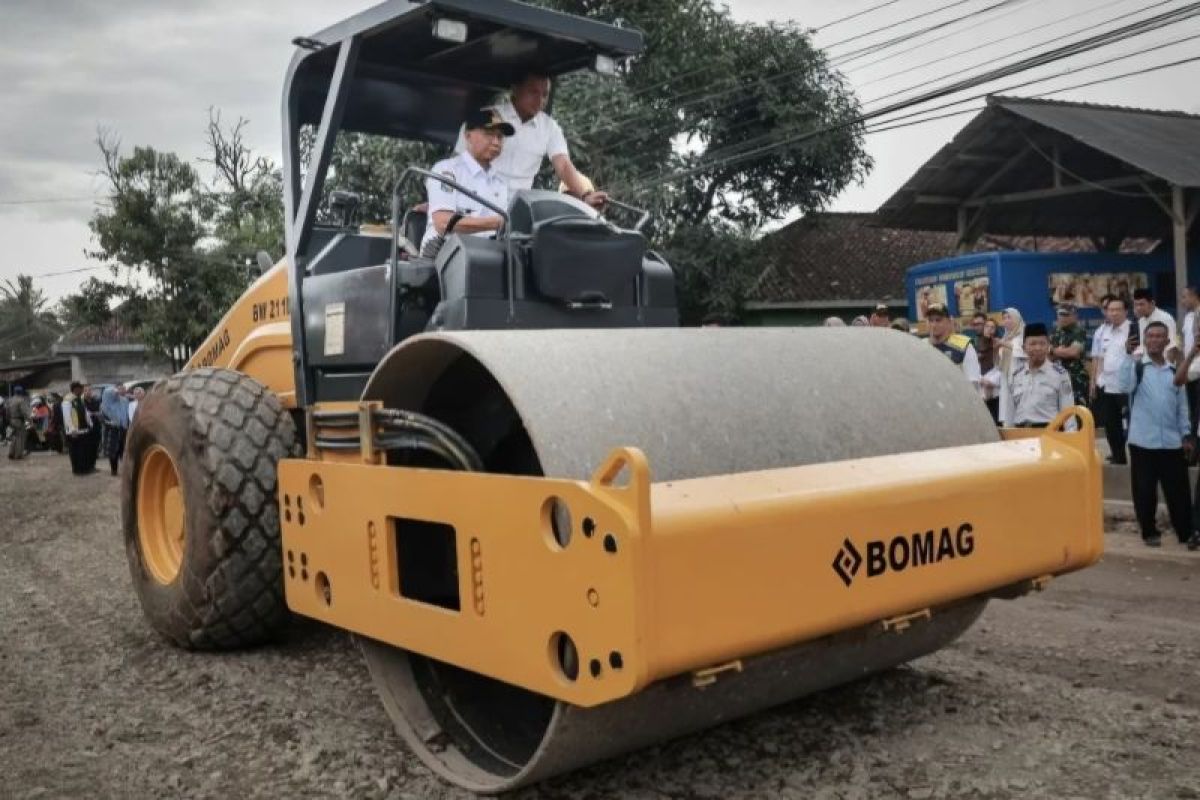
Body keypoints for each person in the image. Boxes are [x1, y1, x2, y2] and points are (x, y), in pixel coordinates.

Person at [456, 71, 607, 209]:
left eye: (545, 95)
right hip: (476, 203)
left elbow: (563, 165)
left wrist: (585, 195)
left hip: (516, 212)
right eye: (533, 92)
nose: (540, 100)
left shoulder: (549, 127)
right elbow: (457, 164)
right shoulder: (485, 118)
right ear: (515, 89)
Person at [1113, 321, 1198, 549]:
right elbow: (1123, 386)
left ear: (1166, 341)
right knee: (1144, 491)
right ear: (1144, 340)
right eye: (1150, 336)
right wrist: (1128, 356)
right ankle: (1149, 531)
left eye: (1160, 336)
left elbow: (1182, 408)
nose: (1154, 340)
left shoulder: (1173, 372)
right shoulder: (1138, 368)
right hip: (1143, 442)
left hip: (1171, 443)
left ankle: (1185, 532)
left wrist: (1186, 435)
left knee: (1179, 492)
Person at [421, 108, 516, 258]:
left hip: (483, 257)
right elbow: (443, 223)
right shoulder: (447, 170)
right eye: (489, 134)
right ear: (468, 136)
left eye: (500, 136)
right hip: (442, 256)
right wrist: (498, 223)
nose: (496, 142)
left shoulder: (500, 184)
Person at [1005, 323, 1077, 429]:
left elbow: (1068, 411)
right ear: (1024, 347)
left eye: (1042, 343)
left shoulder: (1060, 374)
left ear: (1048, 347)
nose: (1038, 348)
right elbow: (1009, 412)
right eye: (1033, 344)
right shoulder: (1016, 375)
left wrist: (1071, 438)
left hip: (1050, 433)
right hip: (1021, 434)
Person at [1091, 296, 1132, 465]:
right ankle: (1118, 455)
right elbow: (1098, 357)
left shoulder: (1133, 329)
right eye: (1110, 310)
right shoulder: (1103, 331)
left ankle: (1135, 455)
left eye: (1117, 309)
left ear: (1125, 311)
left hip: (1126, 386)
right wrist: (1094, 381)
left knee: (1131, 423)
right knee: (1110, 423)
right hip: (1106, 385)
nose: (1113, 313)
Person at [925, 302, 981, 389]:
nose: (934, 325)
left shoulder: (963, 346)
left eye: (938, 320)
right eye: (930, 320)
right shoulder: (921, 346)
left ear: (948, 321)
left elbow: (973, 383)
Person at [1050, 303, 1089, 407]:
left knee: (1078, 410)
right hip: (1056, 377)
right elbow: (1047, 355)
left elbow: (1073, 352)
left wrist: (1054, 351)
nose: (1063, 318)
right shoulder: (1055, 332)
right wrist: (1058, 351)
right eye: (1060, 314)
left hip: (1075, 378)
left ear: (1074, 316)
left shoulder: (1078, 331)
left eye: (1066, 315)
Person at [995, 307, 1026, 426]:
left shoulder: (1024, 334)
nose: (1006, 320)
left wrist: (1004, 344)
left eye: (1009, 317)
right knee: (1008, 416)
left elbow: (1023, 351)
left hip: (1021, 379)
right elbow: (1000, 363)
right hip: (1006, 380)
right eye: (1004, 318)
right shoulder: (1005, 337)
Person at [1131, 287, 1179, 361]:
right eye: (1136, 305)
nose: (1138, 308)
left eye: (1141, 304)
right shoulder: (1141, 320)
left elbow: (1172, 346)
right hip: (1148, 363)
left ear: (1152, 303)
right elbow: (1143, 345)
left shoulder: (1165, 318)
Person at [1178, 285, 1200, 435]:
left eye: (1184, 297)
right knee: (1192, 409)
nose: (1182, 301)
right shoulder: (1188, 317)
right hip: (1189, 369)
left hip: (1198, 369)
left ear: (1194, 296)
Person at [63, 382, 94, 476]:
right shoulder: (67, 401)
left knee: (83, 450)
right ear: (75, 389)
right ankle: (77, 469)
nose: (82, 391)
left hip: (83, 429)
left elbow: (85, 412)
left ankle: (84, 468)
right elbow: (67, 416)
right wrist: (72, 429)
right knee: (75, 451)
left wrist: (90, 423)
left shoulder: (79, 399)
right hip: (74, 431)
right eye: (81, 389)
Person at [99, 385, 129, 477]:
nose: (116, 395)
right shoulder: (104, 406)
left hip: (123, 429)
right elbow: (102, 419)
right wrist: (110, 423)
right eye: (114, 394)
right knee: (113, 451)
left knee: (123, 450)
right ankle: (114, 470)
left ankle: (126, 470)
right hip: (111, 431)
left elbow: (128, 414)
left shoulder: (124, 401)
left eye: (116, 393)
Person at [976, 318, 1001, 423]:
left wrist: (991, 382)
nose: (989, 329)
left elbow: (1002, 366)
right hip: (980, 386)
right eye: (987, 326)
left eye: (992, 327)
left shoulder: (999, 345)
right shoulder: (976, 344)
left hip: (995, 389)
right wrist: (981, 379)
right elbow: (972, 367)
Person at [6, 386, 31, 460]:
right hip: (19, 421)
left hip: (11, 420)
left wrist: (8, 420)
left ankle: (11, 453)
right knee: (20, 437)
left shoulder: (10, 400)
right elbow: (25, 412)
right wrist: (29, 420)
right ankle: (18, 454)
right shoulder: (21, 400)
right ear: (21, 392)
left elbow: (6, 411)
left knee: (13, 437)